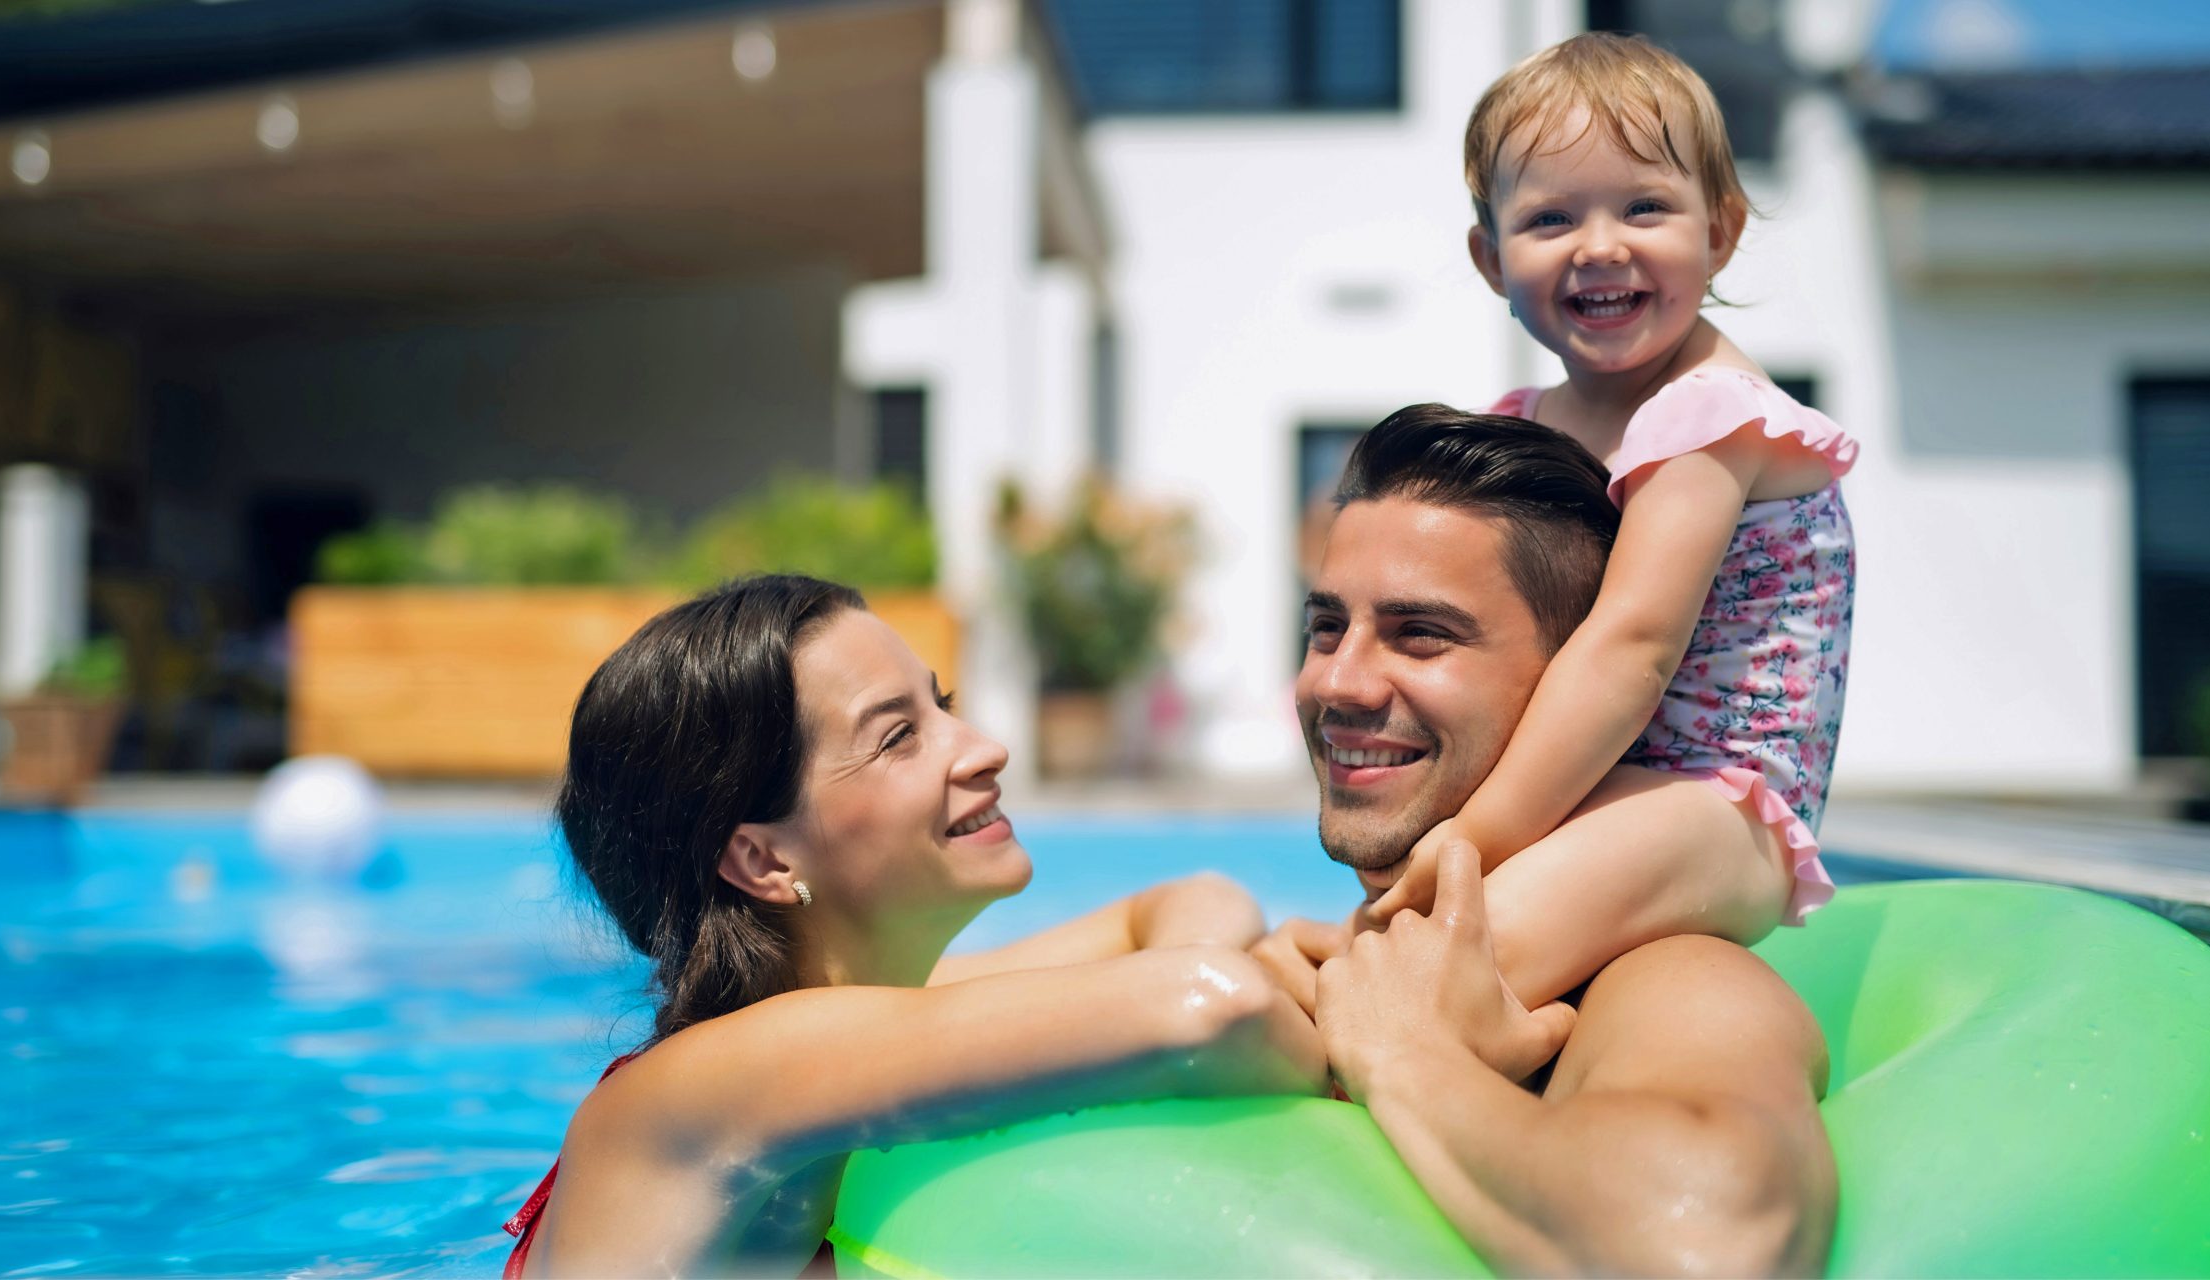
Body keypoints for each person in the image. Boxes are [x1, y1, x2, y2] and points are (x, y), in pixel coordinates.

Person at [502, 575, 1323, 1277]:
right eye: (899, 737)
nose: (984, 749)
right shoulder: (713, 1077)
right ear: (761, 859)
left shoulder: (877, 1013)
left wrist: (1123, 1013)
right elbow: (1219, 1009)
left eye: (945, 706)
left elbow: (1189, 901)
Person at [1274, 404, 1838, 1275]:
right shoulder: (1354, 961)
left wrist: (1403, 1057)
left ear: (1570, 688)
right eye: (1325, 628)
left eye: (1421, 635)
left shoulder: (1666, 980)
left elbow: (1713, 1239)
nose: (1338, 681)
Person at [1364, 33, 1859, 987]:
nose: (1601, 246)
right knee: (1412, 937)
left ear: (1720, 230)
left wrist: (1474, 834)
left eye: (1644, 207)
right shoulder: (1522, 425)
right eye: (1551, 219)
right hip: (1597, 782)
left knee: (1464, 958)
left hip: (1717, 809)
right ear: (1491, 258)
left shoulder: (1709, 415)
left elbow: (1633, 648)